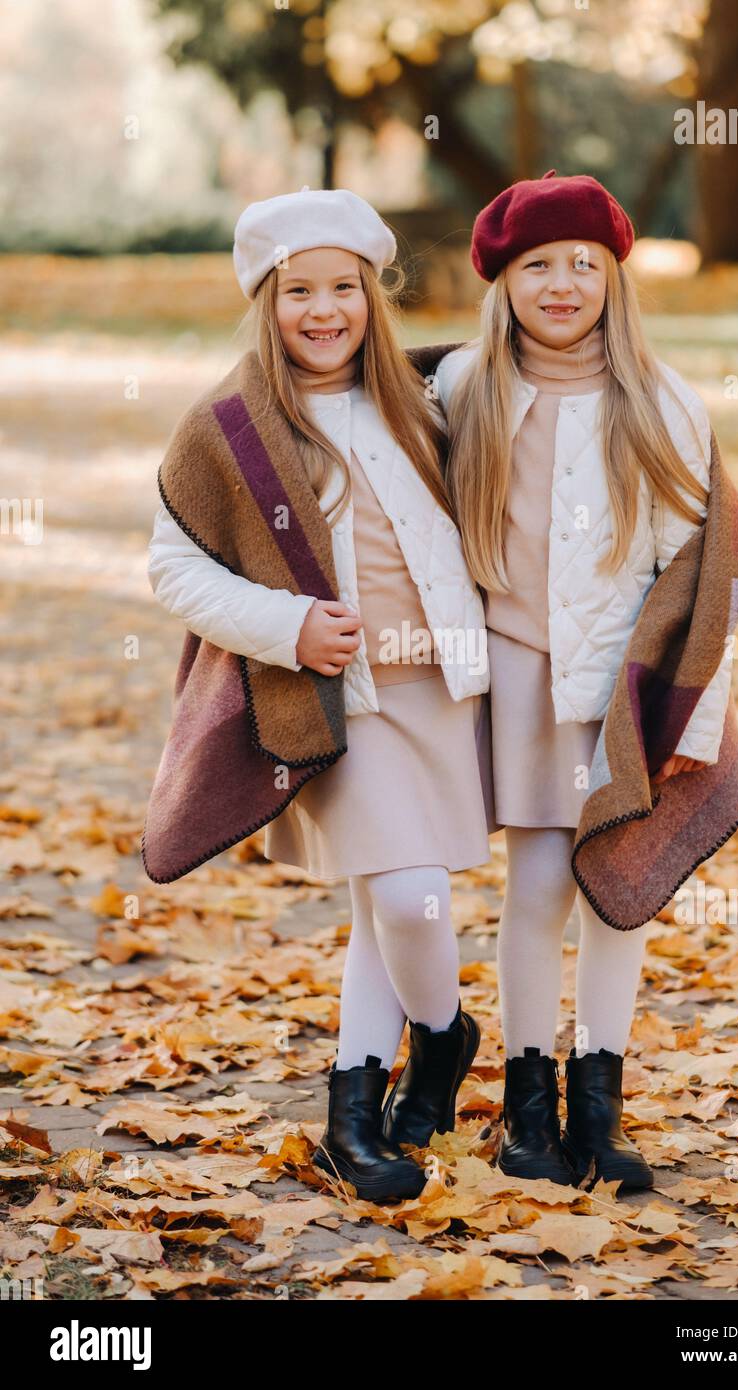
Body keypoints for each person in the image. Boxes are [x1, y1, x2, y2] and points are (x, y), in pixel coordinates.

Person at [145, 188, 495, 1205]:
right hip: (342, 694)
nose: (324, 309)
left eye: (345, 286)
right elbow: (176, 571)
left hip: (440, 684)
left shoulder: (421, 397)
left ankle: (361, 1108)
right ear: (267, 300)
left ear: (371, 296)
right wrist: (286, 626)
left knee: (383, 901)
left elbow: (538, 391)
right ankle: (435, 1044)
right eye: (299, 290)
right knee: (404, 893)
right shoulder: (227, 429)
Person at [432, 171, 734, 1190]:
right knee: (534, 889)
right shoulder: (462, 392)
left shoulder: (657, 401)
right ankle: (527, 1103)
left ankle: (598, 1103)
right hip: (514, 680)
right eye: (536, 267)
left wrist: (686, 715)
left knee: (618, 893)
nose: (560, 285)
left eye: (581, 266)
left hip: (619, 689)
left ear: (613, 277)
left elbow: (700, 572)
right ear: (502, 279)